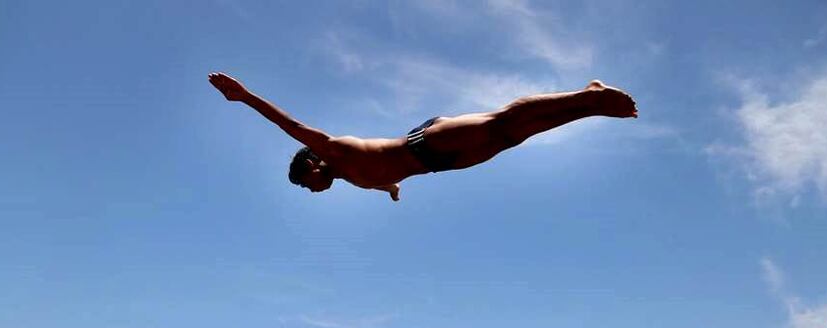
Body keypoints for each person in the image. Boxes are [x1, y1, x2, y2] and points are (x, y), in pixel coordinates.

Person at [208, 72, 637, 201]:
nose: (313, 191)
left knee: (499, 123)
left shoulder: (333, 149)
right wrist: (392, 190)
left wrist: (244, 97)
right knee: (511, 139)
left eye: (307, 184)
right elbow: (385, 180)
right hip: (439, 164)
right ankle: (588, 106)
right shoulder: (355, 180)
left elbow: (291, 126)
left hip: (428, 141)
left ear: (312, 164)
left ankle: (587, 95)